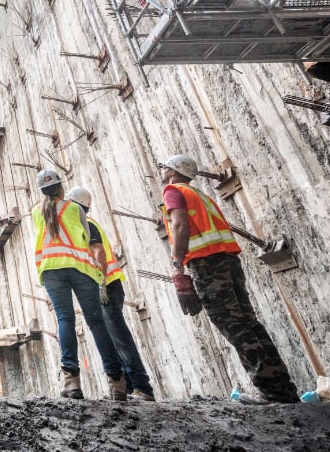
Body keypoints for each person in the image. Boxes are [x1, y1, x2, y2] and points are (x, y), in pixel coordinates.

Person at [160, 154, 300, 403]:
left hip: (207, 264)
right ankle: (283, 390)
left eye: (164, 168)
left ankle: (270, 391)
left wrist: (177, 265)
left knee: (231, 323)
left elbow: (180, 226)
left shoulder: (172, 190)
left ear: (173, 172)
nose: (162, 172)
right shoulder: (200, 195)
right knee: (248, 321)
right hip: (228, 260)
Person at [32, 168, 127, 400]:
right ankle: (117, 384)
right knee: (96, 323)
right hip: (81, 270)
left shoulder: (36, 212)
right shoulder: (74, 208)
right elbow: (86, 238)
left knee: (65, 320)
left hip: (52, 271)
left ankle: (72, 383)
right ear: (61, 187)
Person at [67, 186, 156, 402]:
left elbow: (99, 253)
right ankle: (127, 388)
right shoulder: (83, 224)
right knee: (113, 339)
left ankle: (142, 387)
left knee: (119, 337)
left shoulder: (86, 224)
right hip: (105, 286)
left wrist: (101, 283)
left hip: (106, 287)